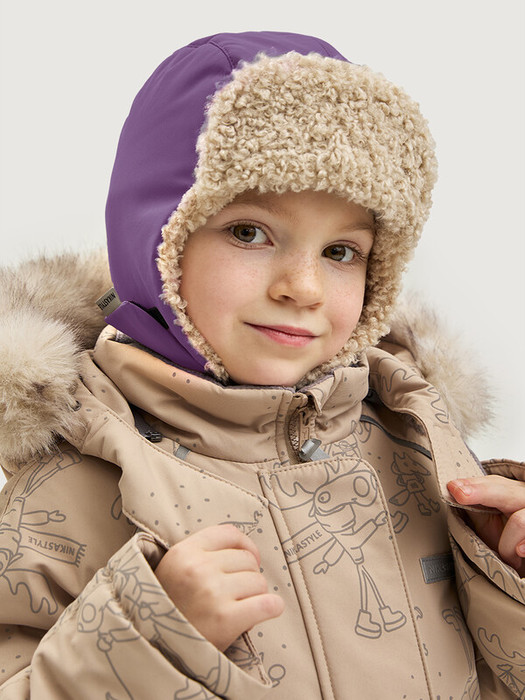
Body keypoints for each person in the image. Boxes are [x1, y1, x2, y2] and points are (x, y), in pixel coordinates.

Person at [0, 30, 523, 699]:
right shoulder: (69, 485)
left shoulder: (420, 446)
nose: (303, 287)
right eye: (249, 233)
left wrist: (508, 578)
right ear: (155, 240)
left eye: (340, 252)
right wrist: (146, 639)